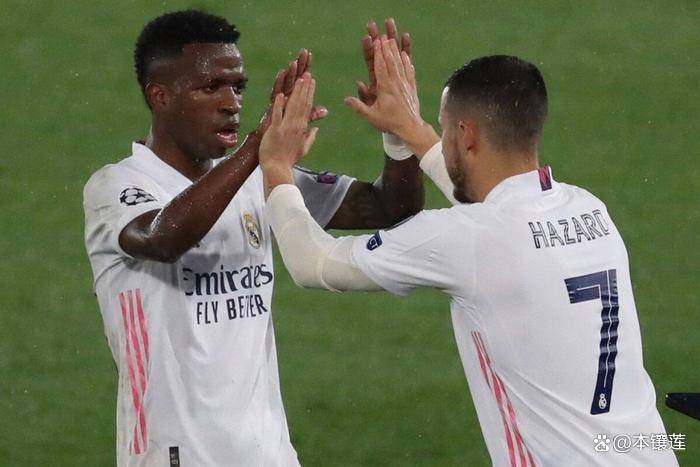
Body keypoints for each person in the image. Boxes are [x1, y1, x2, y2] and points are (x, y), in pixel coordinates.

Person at [260, 36, 679, 466]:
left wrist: (276, 165)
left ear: (466, 135)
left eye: (444, 130)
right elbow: (497, 221)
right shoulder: (590, 210)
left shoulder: (467, 238)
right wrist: (408, 131)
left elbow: (312, 263)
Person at [83, 11, 423, 466]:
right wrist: (258, 148)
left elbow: (387, 207)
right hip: (173, 456)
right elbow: (161, 238)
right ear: (159, 96)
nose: (231, 103)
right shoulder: (118, 186)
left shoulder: (257, 177)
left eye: (238, 87)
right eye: (211, 87)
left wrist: (400, 133)